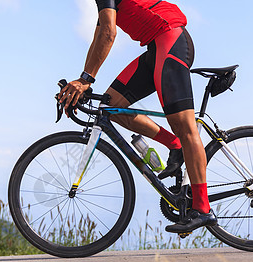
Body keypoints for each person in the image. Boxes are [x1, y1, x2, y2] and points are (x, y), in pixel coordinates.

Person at [58, 0, 217, 233]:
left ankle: (203, 209)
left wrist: (85, 80)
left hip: (170, 39)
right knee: (112, 107)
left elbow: (109, 34)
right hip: (156, 46)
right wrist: (83, 81)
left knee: (185, 128)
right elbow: (99, 35)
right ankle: (174, 145)